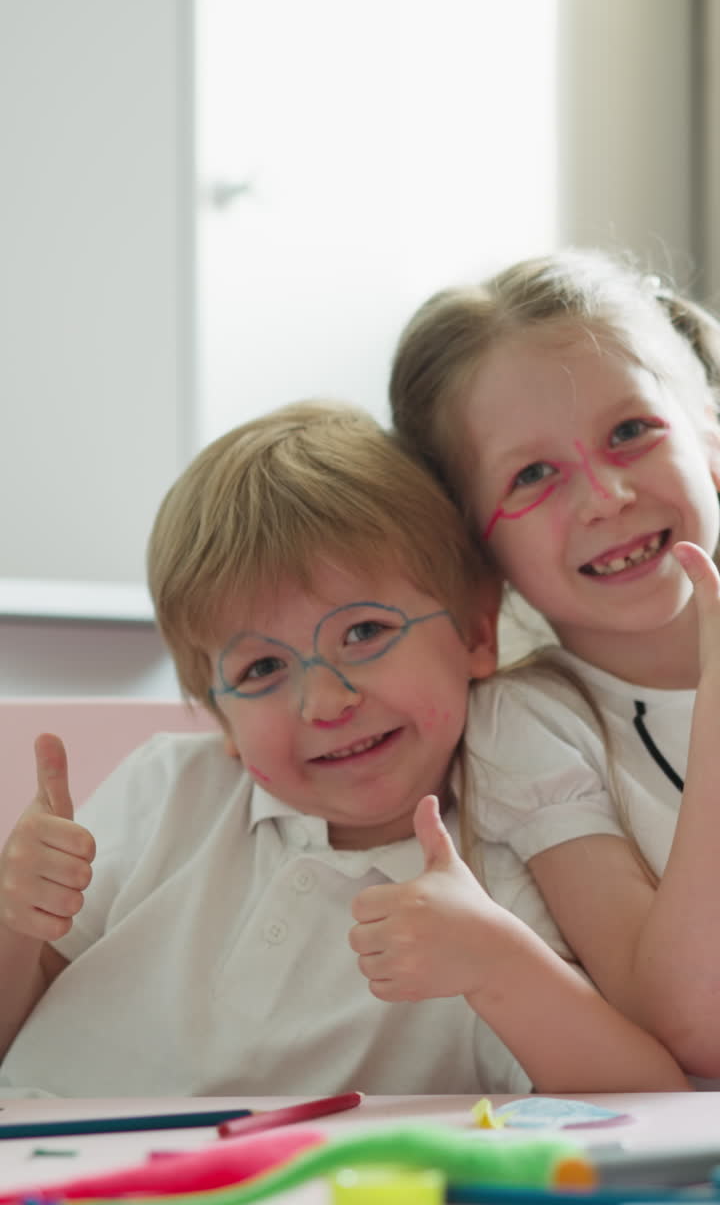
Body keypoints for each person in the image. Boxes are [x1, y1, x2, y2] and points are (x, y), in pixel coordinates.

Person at [0, 401, 687, 1098]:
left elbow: (653, 1102)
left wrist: (499, 967)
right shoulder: (167, 790)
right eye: (260, 670)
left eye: (363, 633)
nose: (325, 702)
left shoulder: (496, 881)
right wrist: (12, 920)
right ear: (221, 719)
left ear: (478, 634)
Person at [388, 247, 720, 1082]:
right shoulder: (529, 724)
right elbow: (692, 1026)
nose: (605, 496)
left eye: (632, 432)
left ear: (710, 432)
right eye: (533, 473)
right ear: (477, 545)